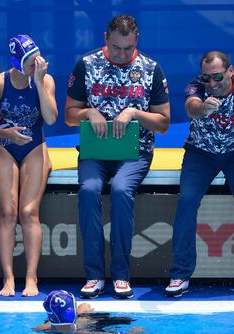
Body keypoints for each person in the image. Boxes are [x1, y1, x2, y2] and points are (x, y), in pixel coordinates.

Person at [65, 15, 170, 299]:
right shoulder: (86, 65)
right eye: (116, 48)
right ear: (105, 39)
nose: (122, 55)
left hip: (135, 153)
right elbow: (69, 116)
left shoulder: (151, 69)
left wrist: (135, 112)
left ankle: (121, 274)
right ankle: (95, 275)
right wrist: (88, 112)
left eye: (128, 48)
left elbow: (163, 123)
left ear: (137, 40)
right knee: (88, 190)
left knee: (122, 189)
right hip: (96, 151)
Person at [164, 51, 234, 298]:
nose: (212, 83)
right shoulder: (197, 87)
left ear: (231, 72)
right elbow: (191, 107)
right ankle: (180, 273)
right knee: (187, 201)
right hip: (201, 153)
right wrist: (203, 108)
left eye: (217, 77)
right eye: (206, 78)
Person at [0, 34, 57, 297]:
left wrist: (39, 82)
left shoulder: (45, 80)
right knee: (8, 213)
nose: (37, 65)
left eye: (37, 60)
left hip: (35, 146)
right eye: (31, 63)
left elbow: (51, 118)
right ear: (17, 62)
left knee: (29, 212)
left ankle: (31, 278)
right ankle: (9, 278)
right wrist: (6, 134)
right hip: (5, 148)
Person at [33, 290, 138, 333]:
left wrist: (78, 314)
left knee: (85, 308)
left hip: (68, 322)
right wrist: (136, 331)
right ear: (70, 314)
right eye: (75, 305)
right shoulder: (84, 333)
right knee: (127, 320)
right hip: (88, 326)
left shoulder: (42, 328)